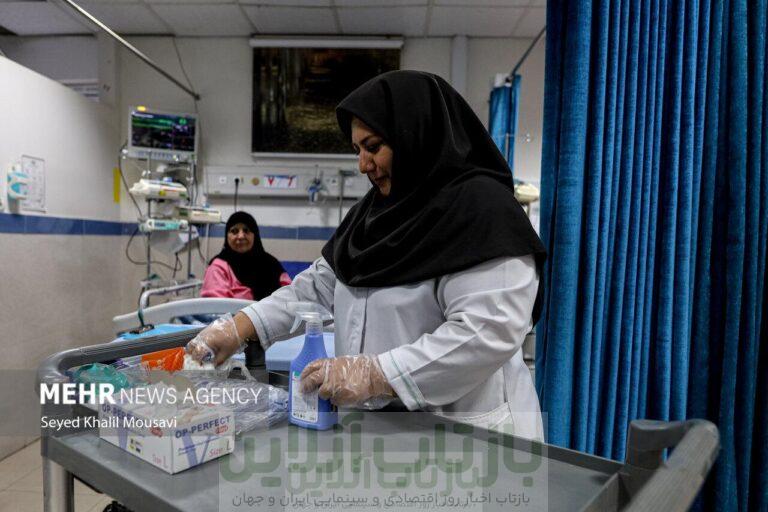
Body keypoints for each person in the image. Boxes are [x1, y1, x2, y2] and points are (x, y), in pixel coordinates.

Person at [187, 71, 547, 439]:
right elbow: (314, 289)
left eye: (373, 147)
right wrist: (240, 326)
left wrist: (377, 374)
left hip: (470, 434)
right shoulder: (372, 215)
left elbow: (487, 332)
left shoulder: (484, 211)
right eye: (358, 150)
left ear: (414, 134)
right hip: (382, 431)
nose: (363, 164)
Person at [201, 211, 291, 300]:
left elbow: (290, 296)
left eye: (246, 230)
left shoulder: (271, 264)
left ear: (255, 235)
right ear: (227, 236)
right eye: (234, 231)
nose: (240, 236)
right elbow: (215, 306)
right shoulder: (218, 267)